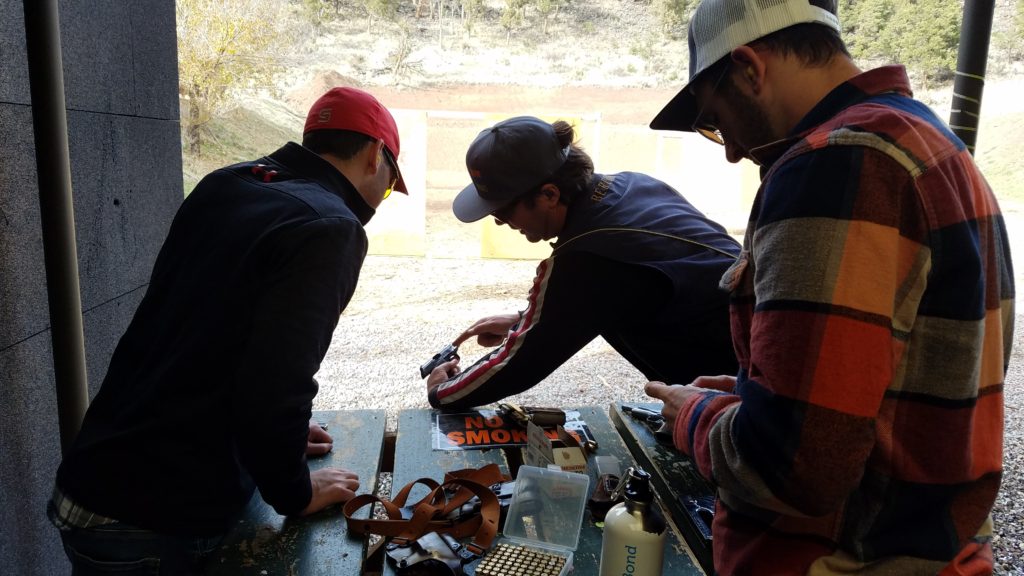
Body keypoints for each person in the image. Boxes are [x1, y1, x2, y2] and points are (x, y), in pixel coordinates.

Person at [643, 1, 1014, 574]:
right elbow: (882, 392)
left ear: (749, 67)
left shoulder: (837, 166)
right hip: (933, 546)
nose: (735, 151)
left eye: (717, 121)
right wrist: (753, 397)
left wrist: (696, 415)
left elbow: (793, 468)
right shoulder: (927, 140)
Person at [48, 86, 407, 574]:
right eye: (389, 185)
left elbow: (209, 338)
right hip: (156, 518)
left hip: (98, 475)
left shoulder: (228, 184)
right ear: (374, 155)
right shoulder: (329, 227)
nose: (382, 199)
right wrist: (295, 491)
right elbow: (276, 381)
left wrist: (272, 441)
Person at [426, 115, 741, 410]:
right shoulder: (633, 184)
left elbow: (518, 366)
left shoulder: (587, 257)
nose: (499, 221)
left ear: (549, 194)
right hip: (762, 353)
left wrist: (442, 390)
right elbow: (623, 290)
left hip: (745, 397)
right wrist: (527, 319)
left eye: (504, 210)